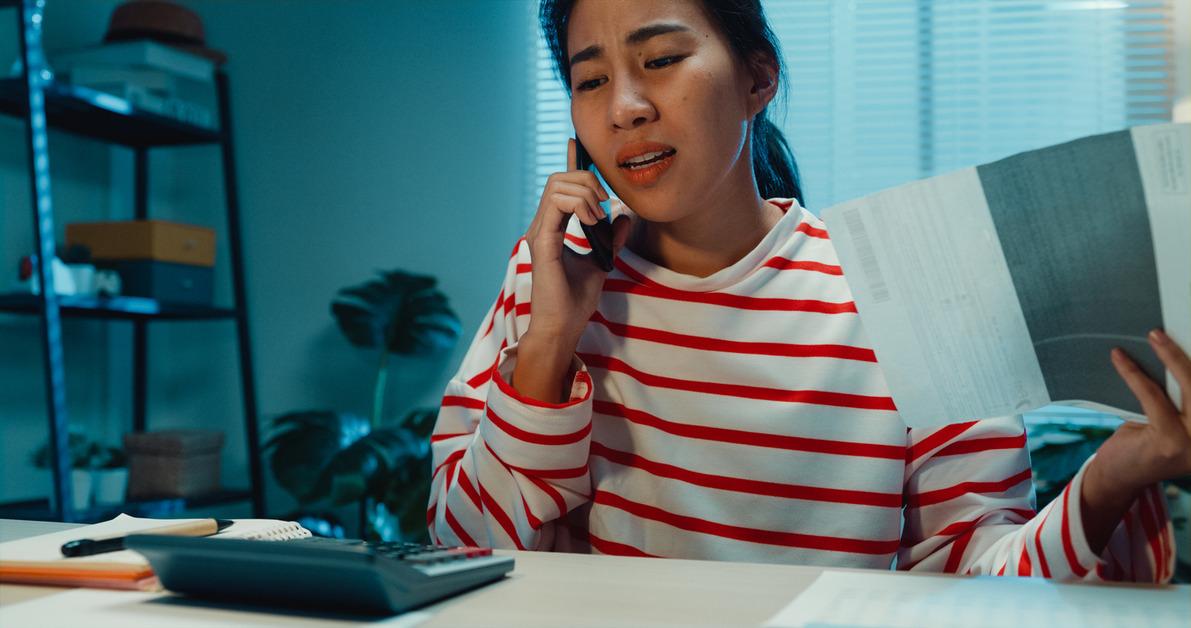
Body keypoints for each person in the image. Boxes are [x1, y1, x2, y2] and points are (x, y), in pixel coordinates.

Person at [427, 0, 1187, 581]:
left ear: (757, 78)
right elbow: (466, 553)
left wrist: (1116, 475)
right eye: (589, 79)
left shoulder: (914, 302)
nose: (624, 106)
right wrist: (552, 344)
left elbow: (976, 581)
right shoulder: (550, 276)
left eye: (659, 59)